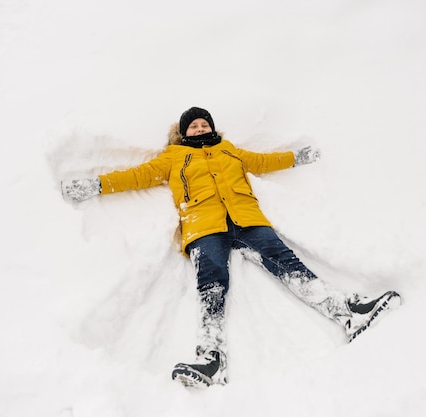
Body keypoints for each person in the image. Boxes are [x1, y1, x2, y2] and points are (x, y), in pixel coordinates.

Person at [61, 107, 400, 388]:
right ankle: (211, 360)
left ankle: (348, 312)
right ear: (183, 133)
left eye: (204, 123)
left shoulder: (230, 150)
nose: (199, 127)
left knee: (286, 261)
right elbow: (135, 176)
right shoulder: (172, 158)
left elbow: (264, 162)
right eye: (193, 125)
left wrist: (296, 157)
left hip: (247, 218)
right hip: (203, 227)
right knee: (210, 280)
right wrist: (95, 185)